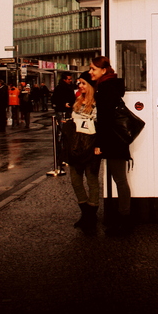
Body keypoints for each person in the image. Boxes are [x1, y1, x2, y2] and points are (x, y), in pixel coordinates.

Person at [90, 56, 133, 235]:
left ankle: (125, 221)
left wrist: (99, 143)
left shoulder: (106, 88)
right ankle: (123, 219)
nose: (90, 72)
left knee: (120, 180)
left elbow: (105, 120)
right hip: (116, 138)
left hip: (113, 140)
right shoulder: (110, 86)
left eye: (93, 69)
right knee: (119, 179)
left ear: (103, 70)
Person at [66, 71, 101, 231]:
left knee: (92, 180)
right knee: (75, 180)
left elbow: (101, 126)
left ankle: (90, 216)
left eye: (83, 83)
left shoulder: (97, 103)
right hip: (75, 147)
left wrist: (98, 145)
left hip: (90, 146)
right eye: (79, 83)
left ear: (90, 86)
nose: (80, 86)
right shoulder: (78, 101)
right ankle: (86, 213)